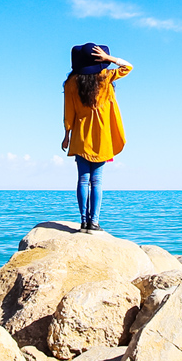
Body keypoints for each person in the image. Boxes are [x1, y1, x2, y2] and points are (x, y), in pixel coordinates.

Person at [62, 43, 132, 232]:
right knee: (97, 181)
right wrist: (109, 59)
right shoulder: (106, 76)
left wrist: (66, 135)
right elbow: (128, 66)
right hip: (102, 135)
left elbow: (68, 112)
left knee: (83, 180)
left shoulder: (71, 83)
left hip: (80, 134)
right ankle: (94, 223)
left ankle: (83, 222)